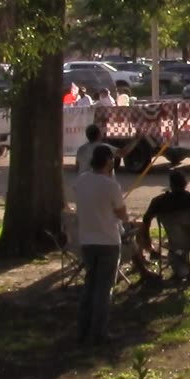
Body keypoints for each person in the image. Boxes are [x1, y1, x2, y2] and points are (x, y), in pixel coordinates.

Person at [72, 144, 127, 347]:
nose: (114, 162)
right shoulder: (111, 185)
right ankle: (99, 333)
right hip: (108, 240)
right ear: (106, 161)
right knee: (104, 289)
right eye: (112, 159)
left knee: (90, 285)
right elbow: (121, 213)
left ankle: (83, 328)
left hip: (87, 239)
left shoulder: (82, 180)